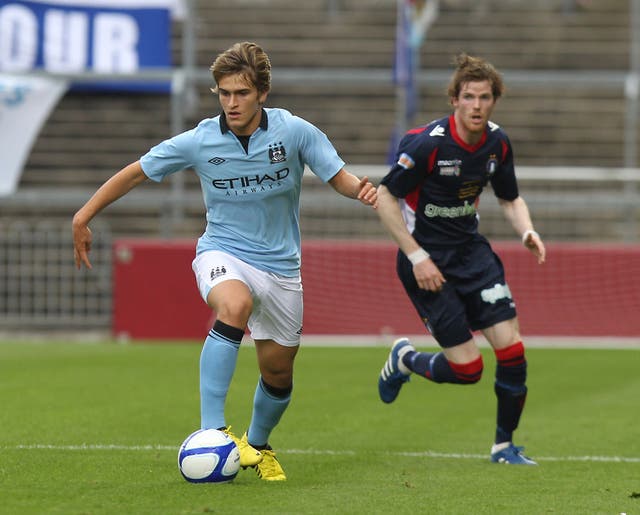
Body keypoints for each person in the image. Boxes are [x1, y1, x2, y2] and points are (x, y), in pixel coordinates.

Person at [72, 41, 377, 481]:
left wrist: (361, 191)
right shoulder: (200, 140)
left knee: (278, 373)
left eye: (241, 93)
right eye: (224, 93)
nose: (231, 102)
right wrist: (84, 215)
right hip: (222, 251)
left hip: (281, 268)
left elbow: (339, 176)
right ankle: (212, 431)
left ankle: (256, 446)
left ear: (262, 93)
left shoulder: (294, 132)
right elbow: (138, 170)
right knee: (233, 306)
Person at [375, 53, 546, 465]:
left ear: (493, 101)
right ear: (454, 100)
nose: (476, 106)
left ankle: (504, 447)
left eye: (485, 98)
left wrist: (527, 230)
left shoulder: (497, 143)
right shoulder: (426, 145)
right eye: (468, 97)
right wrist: (416, 257)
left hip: (473, 257)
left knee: (513, 354)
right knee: (468, 371)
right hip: (427, 263)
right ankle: (405, 359)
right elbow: (384, 196)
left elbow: (509, 197)